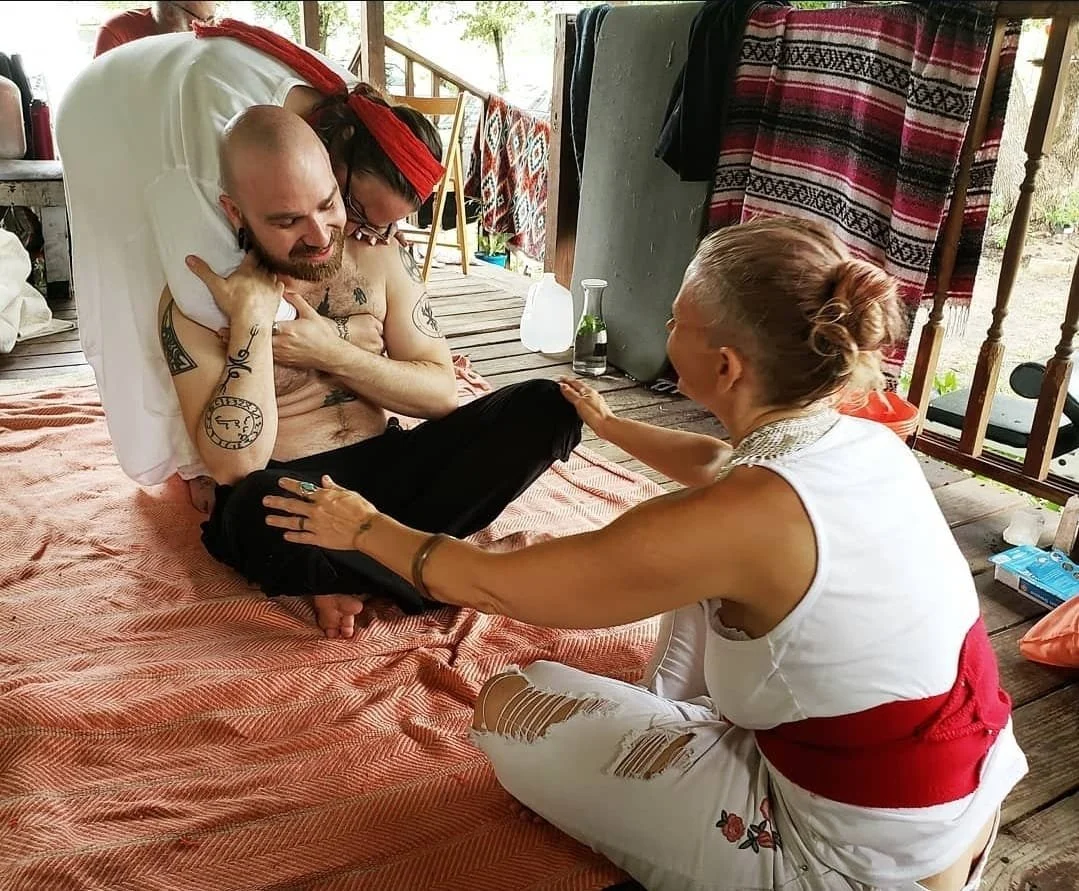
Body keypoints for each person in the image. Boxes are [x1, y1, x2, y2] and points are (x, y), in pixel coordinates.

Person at [261, 217, 1029, 891]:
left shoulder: (732, 520)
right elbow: (715, 459)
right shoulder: (860, 438)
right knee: (705, 596)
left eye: (673, 319)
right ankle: (683, 732)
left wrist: (362, 526)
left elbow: (491, 584)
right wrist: (608, 424)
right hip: (955, 814)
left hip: (850, 863)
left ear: (724, 366)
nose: (665, 328)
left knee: (508, 704)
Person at [169, 105, 581, 640]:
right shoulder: (198, 295)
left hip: (390, 466)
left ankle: (354, 571)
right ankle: (435, 570)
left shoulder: (380, 259)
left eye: (330, 206)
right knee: (249, 510)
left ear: (336, 178)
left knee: (550, 404)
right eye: (287, 221)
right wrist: (250, 316)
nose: (320, 236)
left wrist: (330, 352)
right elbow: (232, 465)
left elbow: (440, 395)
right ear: (235, 212)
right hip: (296, 487)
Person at [56, 19, 443, 493]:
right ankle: (189, 460)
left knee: (537, 406)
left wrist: (333, 349)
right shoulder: (205, 152)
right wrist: (261, 321)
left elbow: (442, 392)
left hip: (382, 455)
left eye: (383, 224)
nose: (367, 237)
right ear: (328, 154)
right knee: (148, 285)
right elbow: (219, 304)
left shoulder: (356, 110)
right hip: (107, 113)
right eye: (359, 210)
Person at [94, 2, 217, 58]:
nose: (208, 27)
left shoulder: (213, 34)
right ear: (170, 13)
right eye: (204, 19)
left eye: (212, 18)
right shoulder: (116, 33)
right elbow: (103, 94)